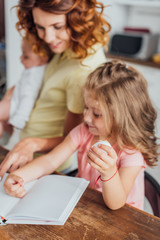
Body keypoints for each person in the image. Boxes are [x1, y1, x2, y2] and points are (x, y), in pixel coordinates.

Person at [3, 60, 159, 210]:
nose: (86, 117)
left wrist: (109, 172)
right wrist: (18, 177)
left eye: (96, 114)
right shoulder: (84, 131)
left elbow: (116, 204)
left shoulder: (131, 152)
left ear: (122, 117)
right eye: (86, 108)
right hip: (86, 204)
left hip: (121, 221)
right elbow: (50, 161)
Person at [0, 0, 111, 174]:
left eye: (57, 27)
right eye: (40, 27)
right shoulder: (66, 45)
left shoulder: (82, 70)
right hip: (26, 153)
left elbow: (74, 136)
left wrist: (32, 143)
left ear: (78, 20)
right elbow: (36, 83)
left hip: (48, 166)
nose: (48, 37)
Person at [0, 34, 51, 137]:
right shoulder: (34, 69)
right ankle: (5, 133)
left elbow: (28, 97)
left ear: (43, 59)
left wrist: (19, 119)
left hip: (15, 106)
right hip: (14, 103)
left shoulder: (34, 74)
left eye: (26, 56)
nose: (21, 58)